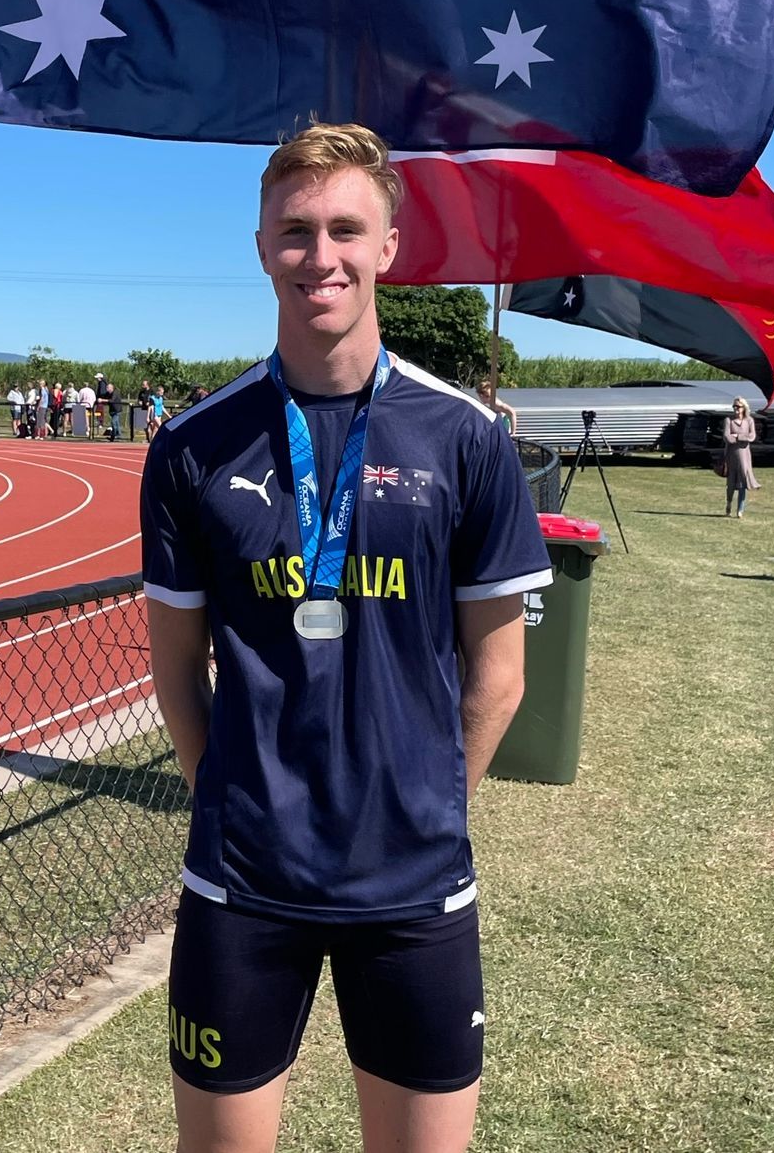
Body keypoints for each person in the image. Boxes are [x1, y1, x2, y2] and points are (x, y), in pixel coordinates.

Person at [141, 123, 552, 1153]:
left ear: (388, 247)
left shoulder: (465, 436)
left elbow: (498, 675)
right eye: (294, 231)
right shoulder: (192, 446)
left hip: (413, 883)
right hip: (242, 883)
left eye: (342, 229)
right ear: (261, 247)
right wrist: (232, 793)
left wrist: (431, 804)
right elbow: (175, 670)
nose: (317, 255)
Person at [723, 396, 758, 517]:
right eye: (734, 406)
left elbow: (752, 437)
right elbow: (727, 437)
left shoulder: (749, 421)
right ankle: (728, 503)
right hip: (732, 455)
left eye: (738, 406)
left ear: (744, 408)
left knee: (743, 481)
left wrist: (738, 436)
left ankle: (740, 509)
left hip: (745, 455)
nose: (735, 409)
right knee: (731, 484)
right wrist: (740, 438)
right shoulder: (729, 420)